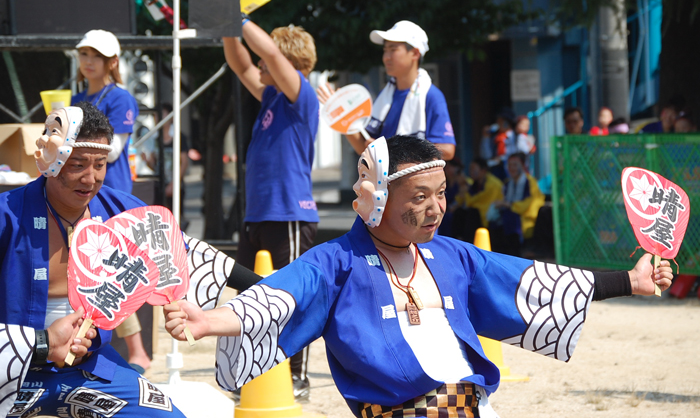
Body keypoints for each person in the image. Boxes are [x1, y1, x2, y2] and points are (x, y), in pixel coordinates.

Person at [164, 135, 673, 418]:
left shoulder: (453, 256)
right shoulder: (335, 262)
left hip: (472, 408)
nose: (435, 210)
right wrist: (208, 322)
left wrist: (630, 280)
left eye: (441, 194)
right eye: (419, 198)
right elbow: (276, 298)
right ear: (377, 200)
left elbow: (537, 282)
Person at [0, 102, 184, 418]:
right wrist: (42, 343)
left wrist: (260, 291)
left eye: (100, 164)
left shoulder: (121, 210)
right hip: (11, 370)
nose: (90, 178)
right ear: (50, 161)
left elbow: (183, 249)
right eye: (78, 164)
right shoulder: (7, 214)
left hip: (89, 370)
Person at [222, 16, 319, 399]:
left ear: (287, 64)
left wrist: (239, 15)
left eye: (268, 62)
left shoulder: (301, 94)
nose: (260, 66)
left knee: (294, 298)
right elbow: (239, 61)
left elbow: (267, 52)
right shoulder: (271, 97)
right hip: (258, 215)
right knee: (248, 296)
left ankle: (297, 376)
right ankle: (256, 372)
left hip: (290, 213)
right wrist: (226, 23)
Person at [317, 20, 455, 161]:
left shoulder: (431, 96)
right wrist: (344, 117)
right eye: (385, 50)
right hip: (385, 182)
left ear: (415, 53)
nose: (386, 57)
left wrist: (391, 150)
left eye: (393, 50)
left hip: (414, 182)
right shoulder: (386, 96)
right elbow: (364, 147)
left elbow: (447, 149)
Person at [72, 29, 139, 194]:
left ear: (114, 61)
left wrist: (68, 143)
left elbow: (113, 152)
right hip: (78, 189)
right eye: (84, 53)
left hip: (111, 190)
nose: (88, 61)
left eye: (97, 56)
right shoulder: (75, 99)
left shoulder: (121, 98)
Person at [489, 153, 545, 257]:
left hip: (525, 219)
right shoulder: (507, 183)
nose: (511, 168)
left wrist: (508, 205)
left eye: (515, 165)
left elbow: (527, 205)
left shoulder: (529, 182)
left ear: (523, 166)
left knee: (510, 216)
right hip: (509, 218)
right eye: (509, 165)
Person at [451, 157, 504, 242]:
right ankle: (456, 241)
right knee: (459, 212)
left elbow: (476, 201)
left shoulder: (493, 184)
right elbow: (462, 200)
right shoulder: (475, 183)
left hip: (490, 215)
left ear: (483, 170)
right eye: (470, 169)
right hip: (479, 212)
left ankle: (468, 242)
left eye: (473, 169)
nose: (471, 172)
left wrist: (466, 192)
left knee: (472, 213)